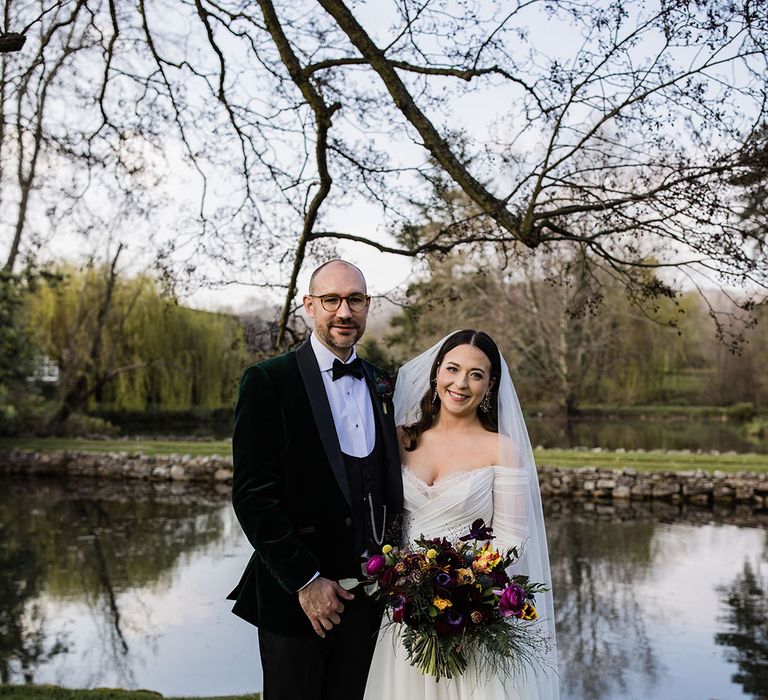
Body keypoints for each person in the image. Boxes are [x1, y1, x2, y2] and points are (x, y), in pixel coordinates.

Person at [228, 259, 404, 700]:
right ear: (309, 305)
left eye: (356, 300)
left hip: (370, 601)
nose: (344, 312)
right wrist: (306, 581)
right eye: (331, 300)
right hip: (296, 601)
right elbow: (252, 496)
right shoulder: (269, 381)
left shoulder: (383, 383)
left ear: (368, 307)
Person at [364, 329, 559, 700]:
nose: (461, 383)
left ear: (489, 386)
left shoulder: (500, 449)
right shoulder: (401, 439)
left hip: (469, 614)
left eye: (476, 374)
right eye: (453, 369)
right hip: (406, 610)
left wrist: (463, 588)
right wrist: (411, 585)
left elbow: (512, 538)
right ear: (437, 372)